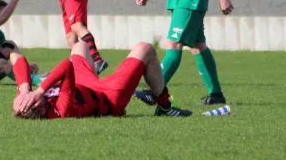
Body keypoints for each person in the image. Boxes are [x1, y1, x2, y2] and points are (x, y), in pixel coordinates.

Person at [12, 40, 192, 119]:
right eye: (35, 103)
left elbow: (18, 59)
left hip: (84, 85)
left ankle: (96, 70)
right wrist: (38, 91)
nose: (32, 100)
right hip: (108, 97)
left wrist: (25, 89)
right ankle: (165, 107)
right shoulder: (61, 110)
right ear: (43, 111)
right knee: (145, 49)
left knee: (79, 45)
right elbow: (66, 66)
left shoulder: (27, 101)